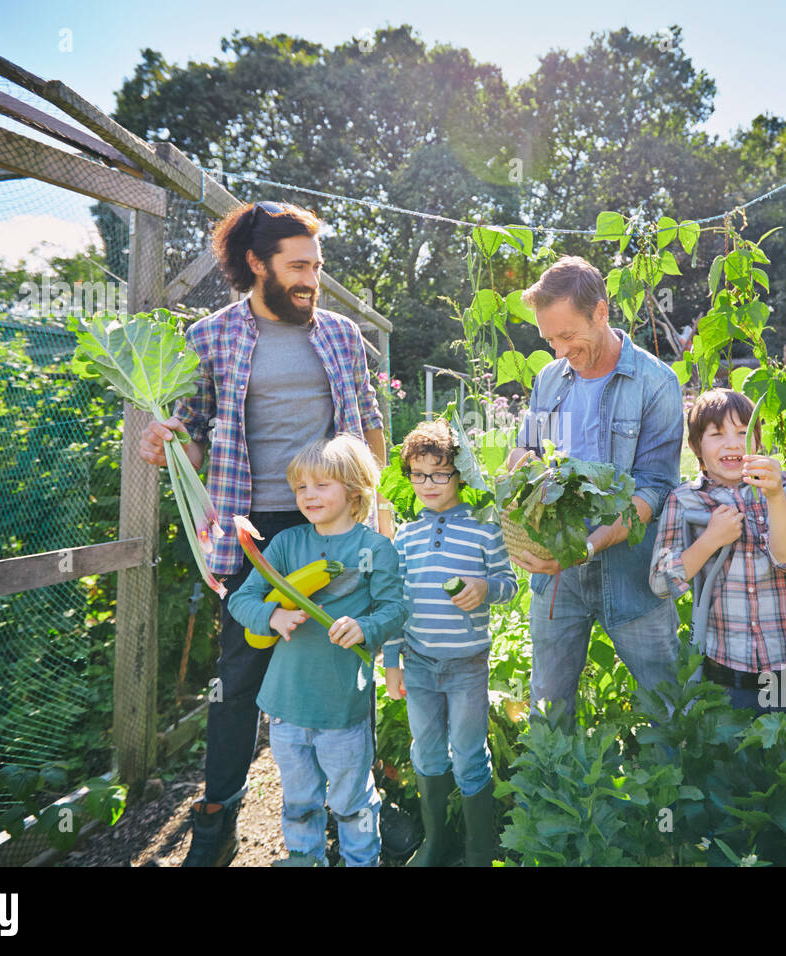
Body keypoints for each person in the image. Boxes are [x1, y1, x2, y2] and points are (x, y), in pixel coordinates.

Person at [136, 201, 392, 866]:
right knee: (239, 672)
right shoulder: (212, 336)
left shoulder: (338, 334)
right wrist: (168, 444)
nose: (312, 278)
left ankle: (358, 807)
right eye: (299, 265)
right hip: (252, 527)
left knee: (346, 658)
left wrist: (370, 505)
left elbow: (368, 423)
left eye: (317, 265)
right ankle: (218, 815)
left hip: (333, 525)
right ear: (257, 263)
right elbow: (191, 440)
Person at [507, 255, 683, 719]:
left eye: (568, 336)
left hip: (631, 572)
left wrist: (586, 547)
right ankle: (554, 788)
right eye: (549, 339)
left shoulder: (655, 384)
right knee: (549, 702)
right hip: (555, 573)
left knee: (665, 701)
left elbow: (654, 490)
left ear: (601, 313)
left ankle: (670, 789)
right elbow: (524, 451)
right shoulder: (549, 380)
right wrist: (518, 472)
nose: (560, 350)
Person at [226, 435, 407, 867]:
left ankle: (362, 860)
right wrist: (272, 617)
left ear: (355, 489)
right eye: (301, 487)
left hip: (342, 704)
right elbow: (241, 599)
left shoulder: (376, 550)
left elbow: (395, 609)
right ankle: (304, 858)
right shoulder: (287, 545)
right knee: (299, 801)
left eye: (321, 485)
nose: (308, 495)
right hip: (286, 704)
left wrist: (364, 627)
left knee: (353, 801)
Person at [382, 419, 517, 866]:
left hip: (466, 666)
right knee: (427, 752)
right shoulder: (405, 536)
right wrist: (393, 662)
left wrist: (484, 587)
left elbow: (508, 583)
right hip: (419, 664)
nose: (428, 484)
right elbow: (395, 604)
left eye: (439, 473)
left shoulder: (483, 527)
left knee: (469, 758)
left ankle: (480, 851)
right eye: (418, 474)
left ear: (459, 474)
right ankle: (437, 845)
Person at [648, 388, 786, 734]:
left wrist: (773, 498)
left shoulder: (781, 487)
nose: (732, 444)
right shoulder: (685, 501)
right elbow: (660, 582)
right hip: (727, 672)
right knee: (734, 774)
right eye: (717, 434)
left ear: (757, 440)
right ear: (696, 447)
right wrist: (710, 540)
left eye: (743, 433)